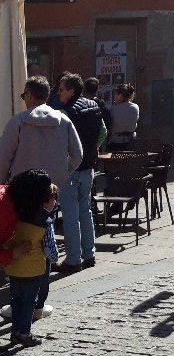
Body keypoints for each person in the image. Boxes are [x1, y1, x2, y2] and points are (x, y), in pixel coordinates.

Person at [1, 170, 58, 347]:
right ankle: (22, 333)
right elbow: (50, 248)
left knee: (16, 300)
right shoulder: (8, 210)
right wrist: (11, 254)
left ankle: (17, 333)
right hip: (31, 269)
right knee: (27, 302)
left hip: (15, 268)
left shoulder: (14, 203)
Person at [56, 74, 105, 273]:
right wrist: (93, 149)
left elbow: (59, 141)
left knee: (70, 215)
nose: (58, 92)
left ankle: (74, 259)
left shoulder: (64, 112)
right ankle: (89, 253)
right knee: (86, 211)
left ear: (71, 90)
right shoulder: (94, 106)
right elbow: (102, 132)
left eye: (61, 89)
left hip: (70, 168)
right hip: (89, 167)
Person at [0, 77, 82, 189]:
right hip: (52, 187)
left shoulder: (18, 121)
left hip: (21, 186)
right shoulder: (64, 121)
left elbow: (4, 157)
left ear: (29, 95)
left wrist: (2, 183)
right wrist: (62, 173)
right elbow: (77, 155)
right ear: (47, 96)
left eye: (23, 96)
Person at [106, 83, 140, 151]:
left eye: (116, 94)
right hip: (131, 141)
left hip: (116, 142)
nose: (114, 96)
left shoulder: (112, 109)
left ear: (120, 95)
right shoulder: (135, 107)